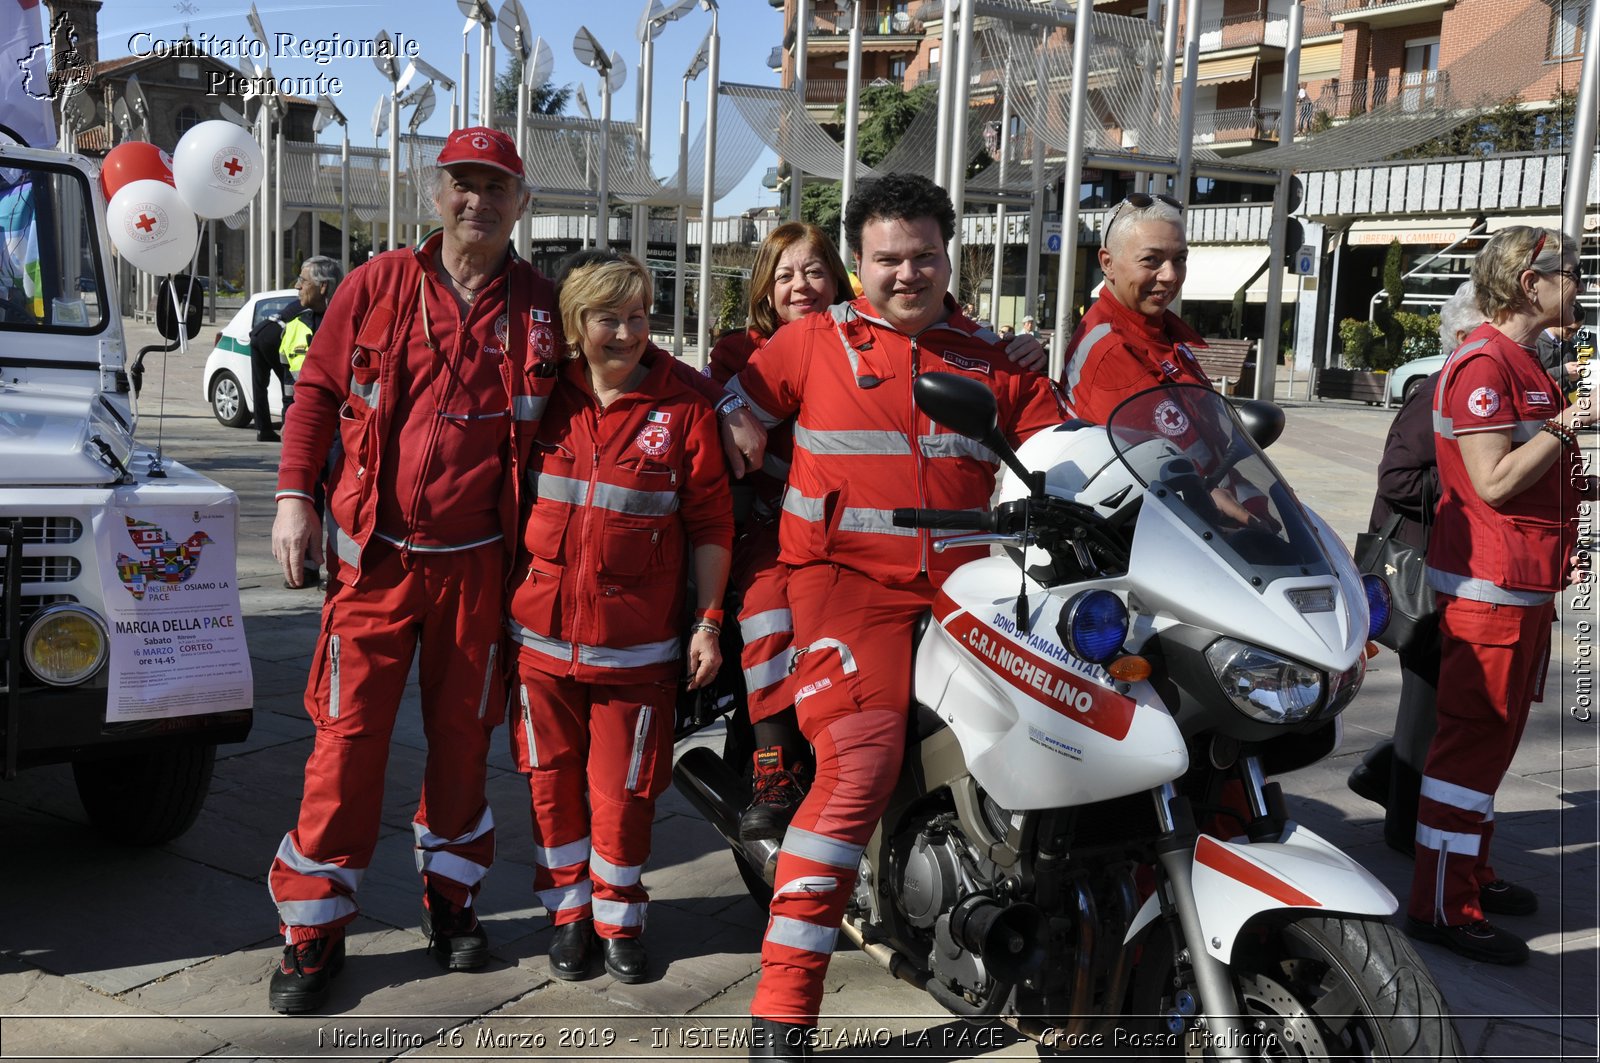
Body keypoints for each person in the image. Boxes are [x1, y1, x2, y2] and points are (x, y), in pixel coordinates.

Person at [719, 173, 1067, 1058]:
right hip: (844, 588)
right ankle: (783, 1009)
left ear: (951, 257)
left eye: (924, 257)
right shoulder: (809, 342)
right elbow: (734, 411)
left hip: (973, 585)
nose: (906, 274)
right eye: (887, 259)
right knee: (856, 771)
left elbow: (1068, 457)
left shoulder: (992, 354)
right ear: (857, 262)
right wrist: (737, 427)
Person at [264, 127, 557, 1013]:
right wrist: (293, 498)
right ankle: (314, 931)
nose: (478, 200)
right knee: (344, 745)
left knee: (466, 747)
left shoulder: (542, 305)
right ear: (438, 195)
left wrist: (727, 404)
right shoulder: (377, 283)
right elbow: (316, 390)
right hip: (374, 565)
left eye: (496, 186)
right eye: (463, 184)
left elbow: (630, 372)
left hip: (477, 572)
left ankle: (453, 902)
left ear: (520, 203)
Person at [709, 223, 1048, 846]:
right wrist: (730, 409)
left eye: (813, 271)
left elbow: (1038, 425)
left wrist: (1019, 354)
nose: (799, 285)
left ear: (840, 276)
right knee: (764, 613)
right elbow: (712, 394)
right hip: (784, 532)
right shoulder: (755, 346)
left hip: (925, 558)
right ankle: (772, 762)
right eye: (783, 275)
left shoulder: (924, 335)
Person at [509, 255, 732, 985]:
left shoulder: (683, 408)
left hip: (636, 653)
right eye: (610, 317)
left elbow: (710, 523)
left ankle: (621, 917)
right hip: (539, 649)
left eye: (640, 317)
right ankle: (569, 915)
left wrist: (707, 621)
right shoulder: (545, 400)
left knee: (625, 790)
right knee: (550, 780)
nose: (628, 333)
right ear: (577, 322)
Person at [1407, 226, 1594, 965]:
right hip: (1489, 593)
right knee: (1467, 750)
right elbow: (1492, 480)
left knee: (1492, 748)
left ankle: (1470, 875)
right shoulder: (1486, 362)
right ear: (1530, 283)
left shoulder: (1519, 359)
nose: (1578, 284)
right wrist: (1570, 419)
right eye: (1571, 273)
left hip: (1518, 587)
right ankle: (1442, 904)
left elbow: (1538, 474)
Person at [1348, 281, 1484, 855]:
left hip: (1455, 562)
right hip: (1421, 569)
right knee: (1425, 701)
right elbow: (1397, 479)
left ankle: (1386, 778)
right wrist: (1474, 471)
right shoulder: (1438, 390)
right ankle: (1404, 820)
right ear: (1460, 337)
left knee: (1436, 704)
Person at [1060, 193, 1212, 424]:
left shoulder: (1157, 330)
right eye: (1151, 259)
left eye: (1179, 259)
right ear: (1107, 263)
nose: (1170, 275)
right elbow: (1172, 452)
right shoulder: (1112, 349)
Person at [250, 256, 342, 443]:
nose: (297, 286)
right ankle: (264, 429)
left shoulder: (349, 324)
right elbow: (289, 387)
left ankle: (264, 428)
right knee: (260, 387)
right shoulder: (294, 327)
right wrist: (288, 421)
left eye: (303, 280)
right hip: (305, 425)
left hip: (338, 428)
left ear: (323, 286)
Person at [1536, 302, 1586, 394]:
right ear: (1556, 320)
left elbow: (1574, 387)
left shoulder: (1571, 347)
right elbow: (1529, 379)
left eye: (1577, 330)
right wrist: (1563, 370)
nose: (1573, 334)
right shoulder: (1534, 343)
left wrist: (1573, 380)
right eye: (1569, 329)